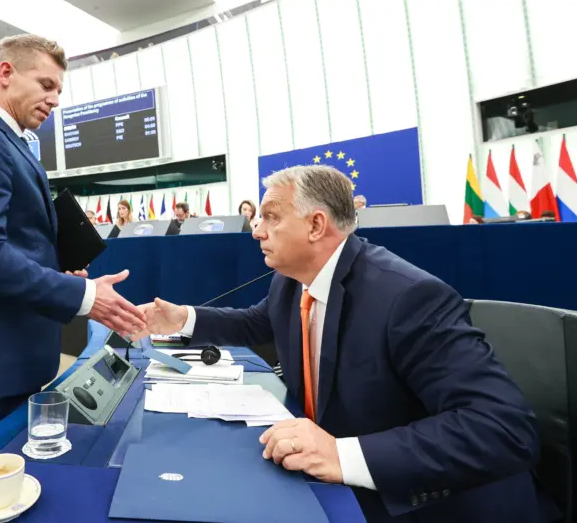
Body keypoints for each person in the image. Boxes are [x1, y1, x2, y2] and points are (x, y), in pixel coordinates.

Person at [135, 165, 545, 523]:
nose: (257, 230)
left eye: (271, 217)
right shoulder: (292, 282)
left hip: (424, 504)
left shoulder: (408, 298)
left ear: (316, 225)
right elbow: (257, 322)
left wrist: (340, 454)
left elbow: (504, 429)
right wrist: (183, 318)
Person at [0, 34, 146, 451]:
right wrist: (83, 295)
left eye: (59, 90)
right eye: (47, 85)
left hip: (19, 351)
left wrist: (55, 269)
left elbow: (13, 242)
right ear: (6, 74)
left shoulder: (11, 142)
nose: (55, 100)